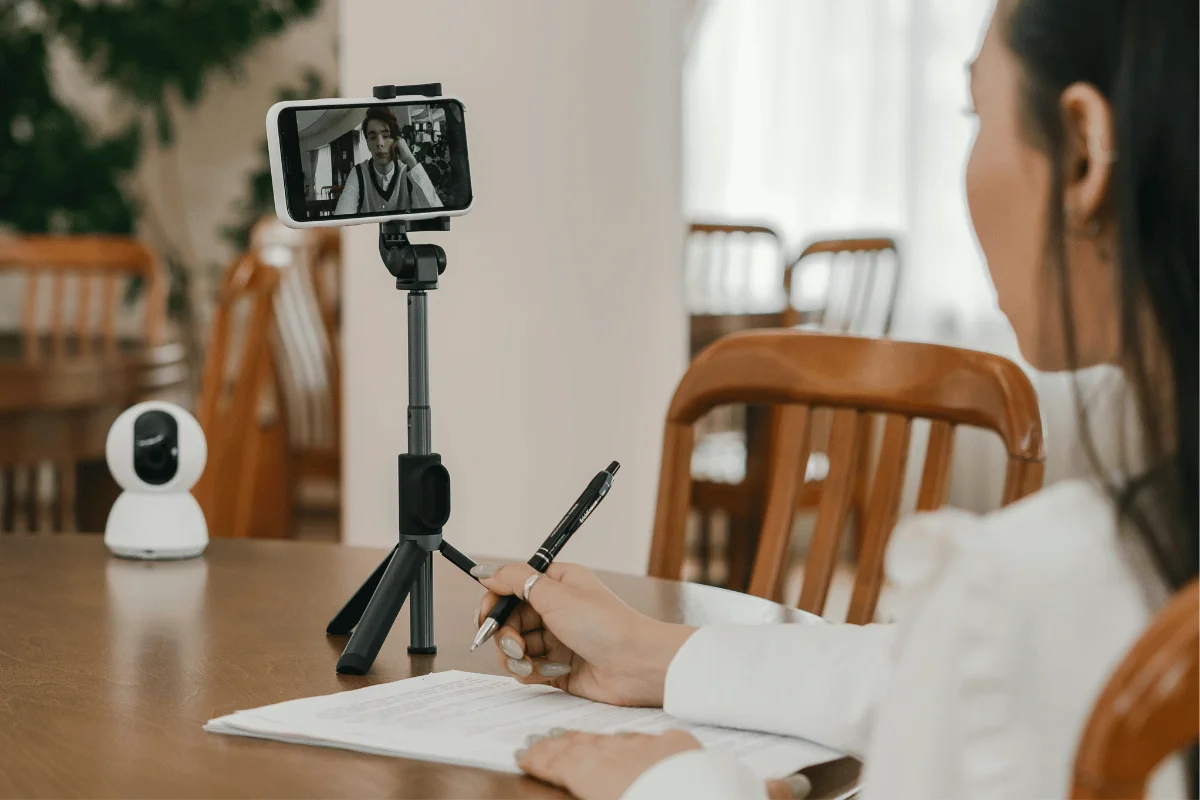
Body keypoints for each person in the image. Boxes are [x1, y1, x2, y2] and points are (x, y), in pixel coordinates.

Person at [472, 1, 1197, 798]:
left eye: (975, 111)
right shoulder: (1118, 593)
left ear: (1087, 153)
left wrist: (682, 787)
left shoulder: (1033, 590)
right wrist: (650, 653)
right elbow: (927, 675)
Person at [332, 106, 442, 215]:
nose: (379, 143)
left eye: (386, 136)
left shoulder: (408, 171)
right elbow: (341, 218)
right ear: (368, 144)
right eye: (372, 137)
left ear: (396, 141)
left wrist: (410, 160)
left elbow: (436, 215)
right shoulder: (359, 173)